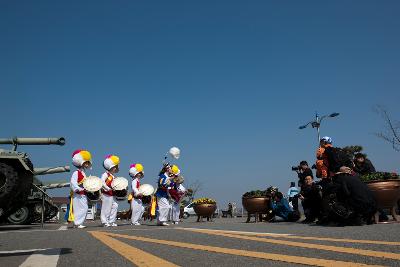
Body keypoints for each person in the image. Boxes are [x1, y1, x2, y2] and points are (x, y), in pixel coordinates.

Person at [70, 149, 92, 229]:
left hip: (83, 194)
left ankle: (78, 223)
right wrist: (78, 189)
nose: (87, 164)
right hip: (78, 194)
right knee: (80, 208)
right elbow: (73, 183)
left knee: (83, 208)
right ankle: (77, 223)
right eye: (86, 162)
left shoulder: (83, 172)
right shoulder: (76, 172)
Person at [100, 154, 120, 227]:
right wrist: (107, 188)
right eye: (114, 167)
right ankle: (104, 221)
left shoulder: (113, 176)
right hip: (105, 194)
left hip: (111, 194)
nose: (116, 168)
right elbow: (101, 182)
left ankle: (111, 221)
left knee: (115, 206)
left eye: (116, 167)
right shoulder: (105, 174)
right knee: (106, 207)